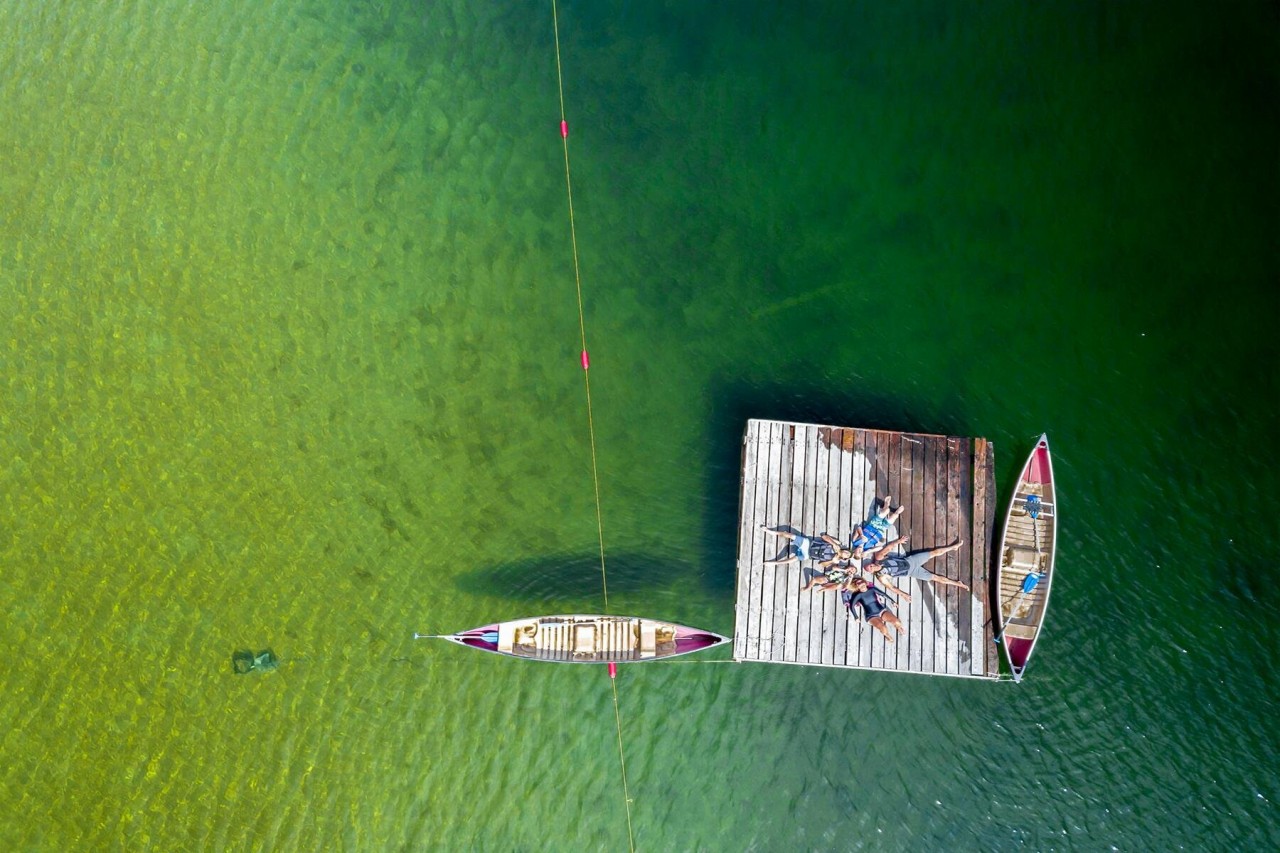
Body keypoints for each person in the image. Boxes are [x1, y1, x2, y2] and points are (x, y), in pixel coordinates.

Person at [865, 536, 969, 592]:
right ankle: (958, 583)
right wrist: (903, 595)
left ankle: (953, 547)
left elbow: (888, 548)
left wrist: (898, 541)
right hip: (911, 572)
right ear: (872, 572)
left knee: (934, 552)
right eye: (870, 568)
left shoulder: (878, 558)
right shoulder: (881, 576)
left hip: (910, 560)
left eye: (870, 565)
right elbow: (891, 587)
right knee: (935, 578)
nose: (872, 566)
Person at [759, 526, 842, 568]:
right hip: (808, 544)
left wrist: (831, 561)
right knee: (789, 535)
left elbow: (821, 564)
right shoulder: (837, 544)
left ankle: (773, 563)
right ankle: (771, 532)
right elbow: (824, 536)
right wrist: (834, 543)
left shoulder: (835, 560)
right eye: (847, 552)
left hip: (808, 555)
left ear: (844, 558)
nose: (845, 553)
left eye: (847, 555)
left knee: (790, 560)